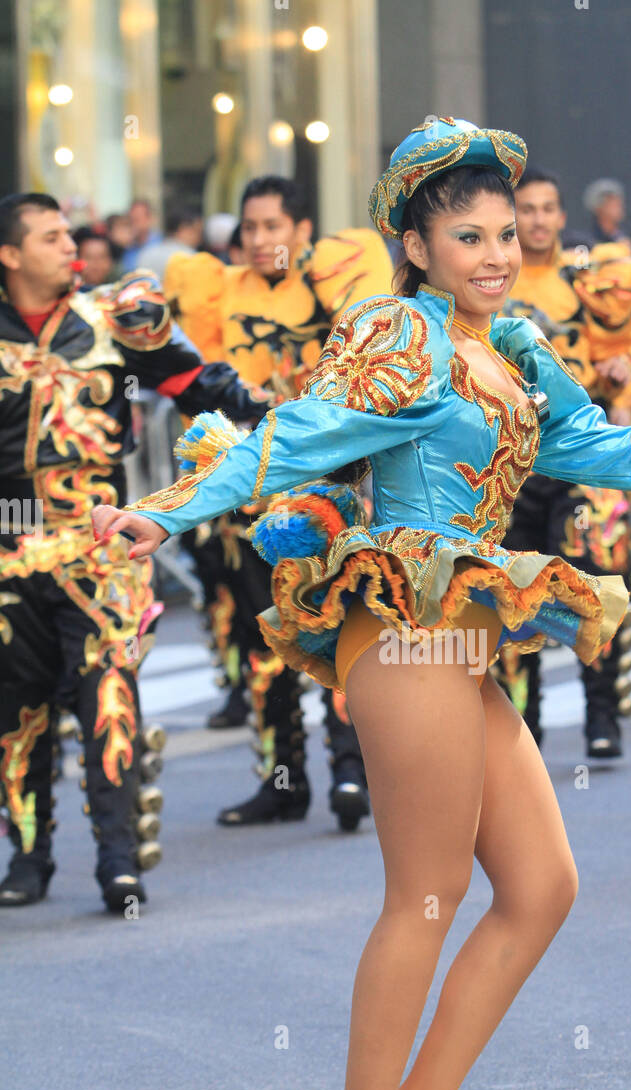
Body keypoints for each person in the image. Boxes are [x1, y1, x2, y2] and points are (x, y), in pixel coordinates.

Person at [93, 117, 631, 1090]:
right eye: (468, 236)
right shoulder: (396, 334)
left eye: (505, 232)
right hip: (401, 621)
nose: (496, 254)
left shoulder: (514, 344)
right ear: (414, 244)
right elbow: (289, 439)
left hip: (466, 623)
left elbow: (598, 449)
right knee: (426, 890)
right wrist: (161, 510)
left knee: (542, 886)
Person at [0, 192, 269, 911]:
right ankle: (28, 856)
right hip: (7, 554)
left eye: (69, 234)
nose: (71, 247)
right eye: (51, 237)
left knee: (107, 696)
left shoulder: (113, 320)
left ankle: (118, 861)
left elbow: (196, 383)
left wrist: (281, 424)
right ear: (9, 254)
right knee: (16, 710)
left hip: (102, 548)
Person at [161, 174, 394, 830]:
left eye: (273, 227)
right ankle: (281, 780)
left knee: (338, 626)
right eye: (251, 228)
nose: (261, 240)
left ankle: (353, 772)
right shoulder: (219, 289)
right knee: (258, 638)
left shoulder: (335, 279)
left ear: (300, 230)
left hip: (325, 490)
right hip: (244, 496)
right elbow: (190, 375)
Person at [498, 165, 631, 757]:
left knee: (592, 575)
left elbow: (627, 351)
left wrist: (620, 372)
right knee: (510, 593)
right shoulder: (488, 279)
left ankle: (602, 715)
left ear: (562, 217)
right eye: (524, 209)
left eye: (546, 208)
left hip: (580, 457)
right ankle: (521, 730)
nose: (535, 220)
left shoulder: (590, 283)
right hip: (510, 464)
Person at [144, 206, 203, 281]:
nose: (199, 238)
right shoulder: (193, 258)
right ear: (184, 229)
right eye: (197, 231)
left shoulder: (147, 253)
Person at [121, 198, 161, 273]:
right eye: (131, 219)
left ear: (149, 219)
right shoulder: (128, 247)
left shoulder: (161, 244)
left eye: (137, 219)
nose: (134, 224)